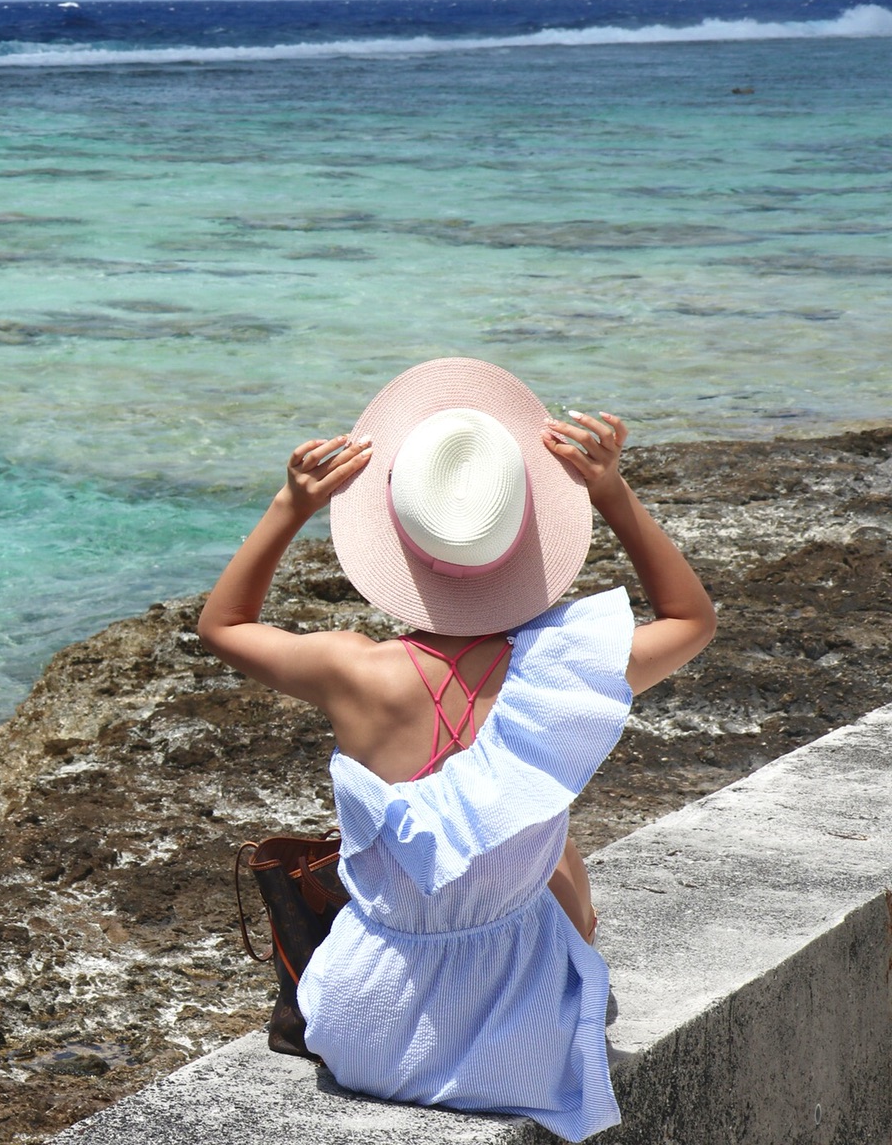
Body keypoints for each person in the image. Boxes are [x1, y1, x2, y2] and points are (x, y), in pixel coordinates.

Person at [196, 358, 715, 1142]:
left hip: (360, 1027)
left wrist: (289, 503)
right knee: (551, 848)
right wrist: (611, 492)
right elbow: (690, 619)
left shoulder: (352, 669)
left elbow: (223, 627)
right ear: (524, 536)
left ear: (394, 537)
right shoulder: (559, 678)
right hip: (522, 1045)